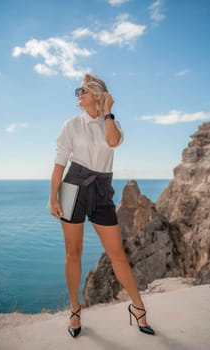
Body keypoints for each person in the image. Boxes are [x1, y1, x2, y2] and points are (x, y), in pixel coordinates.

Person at [49, 73, 155, 338]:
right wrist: (53, 196)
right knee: (73, 252)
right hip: (72, 187)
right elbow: (60, 163)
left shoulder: (112, 124)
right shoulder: (71, 124)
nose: (78, 93)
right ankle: (75, 309)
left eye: (84, 89)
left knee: (117, 253)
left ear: (98, 94)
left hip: (101, 190)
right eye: (78, 90)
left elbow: (112, 142)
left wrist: (108, 111)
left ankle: (139, 308)